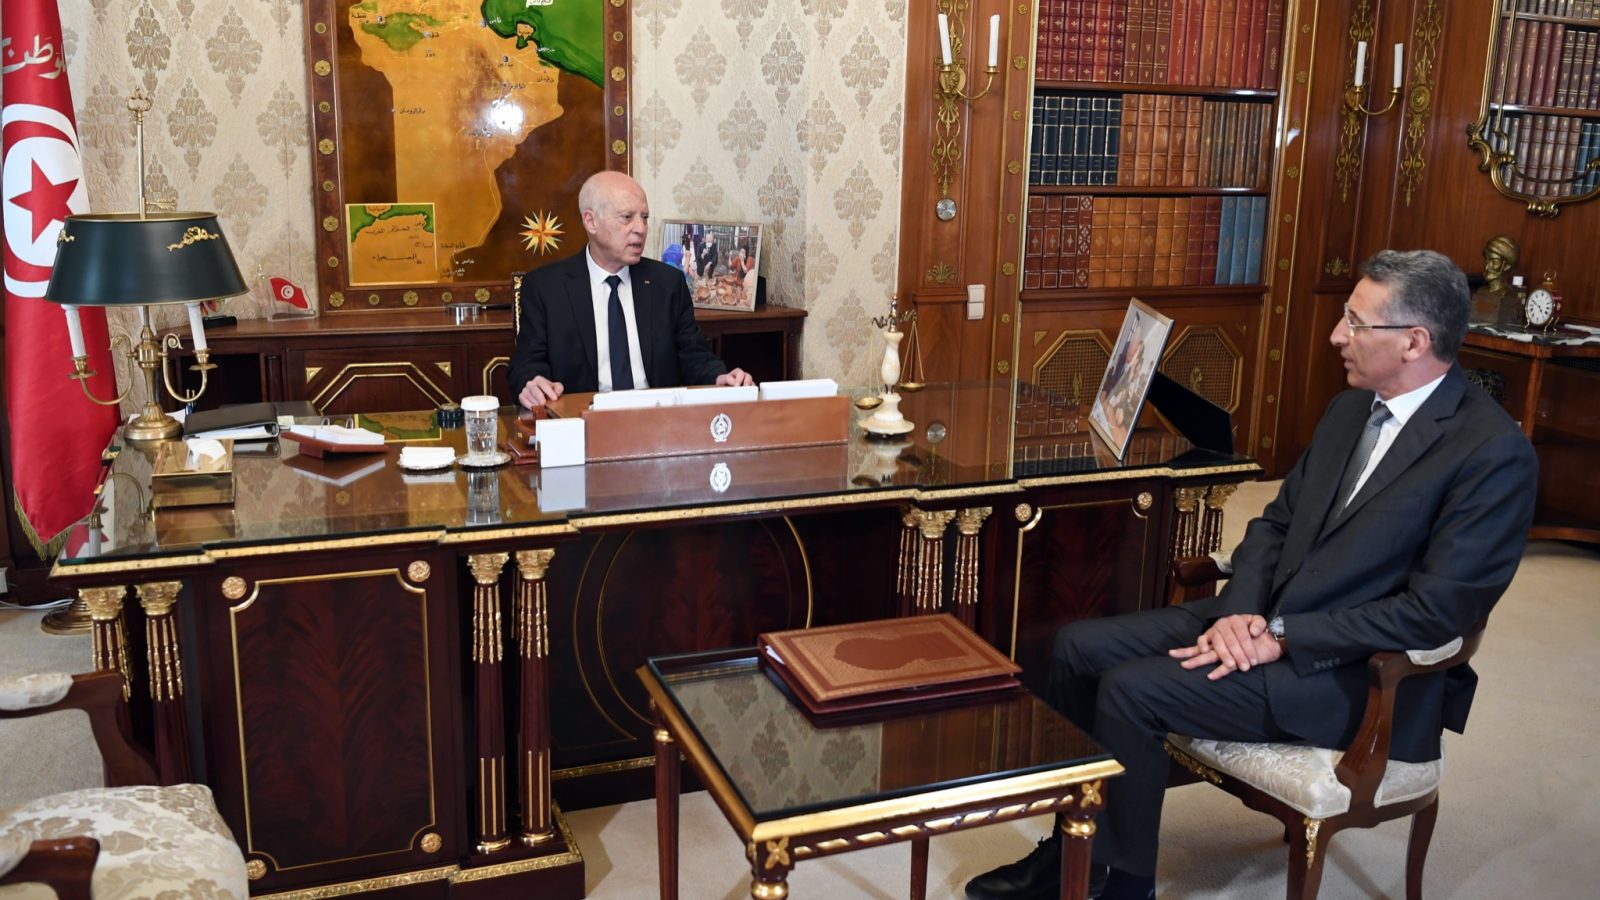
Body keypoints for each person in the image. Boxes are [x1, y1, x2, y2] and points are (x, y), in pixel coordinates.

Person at [965, 249, 1537, 900]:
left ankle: (1123, 886)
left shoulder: (1492, 455)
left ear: (1414, 341)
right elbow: (1273, 525)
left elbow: (1436, 613)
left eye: (1355, 323)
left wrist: (1282, 637)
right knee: (1075, 647)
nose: (1336, 336)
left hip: (1352, 677)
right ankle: (1077, 853)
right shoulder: (1350, 409)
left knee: (1131, 691)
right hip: (1263, 622)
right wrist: (1240, 611)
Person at [510, 172, 752, 408]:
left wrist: (719, 377)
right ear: (591, 221)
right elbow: (526, 364)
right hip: (582, 420)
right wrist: (531, 383)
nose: (641, 228)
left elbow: (693, 355)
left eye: (644, 218)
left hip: (655, 419)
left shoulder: (667, 283)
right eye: (627, 217)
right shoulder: (546, 287)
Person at [1469, 234, 1520, 325]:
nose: (1487, 267)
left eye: (1494, 262)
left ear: (1507, 266)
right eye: (1487, 261)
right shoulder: (1480, 291)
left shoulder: (1508, 296)